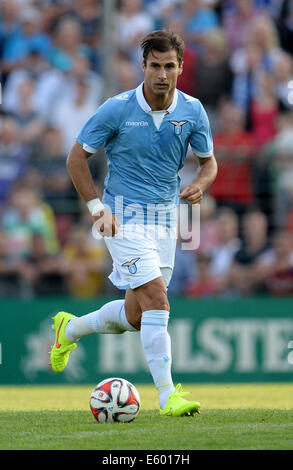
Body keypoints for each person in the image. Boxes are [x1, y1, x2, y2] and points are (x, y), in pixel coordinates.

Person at [50, 30, 218, 416]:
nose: (162, 74)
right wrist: (96, 209)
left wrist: (200, 184)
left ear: (180, 68)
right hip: (121, 218)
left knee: (137, 316)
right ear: (143, 66)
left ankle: (69, 330)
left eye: (169, 66)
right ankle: (167, 396)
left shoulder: (192, 111)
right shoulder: (117, 108)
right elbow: (75, 159)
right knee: (159, 300)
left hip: (165, 221)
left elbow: (209, 163)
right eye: (155, 66)